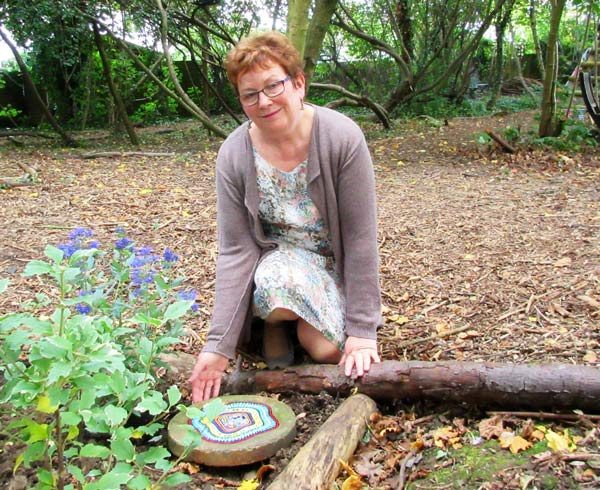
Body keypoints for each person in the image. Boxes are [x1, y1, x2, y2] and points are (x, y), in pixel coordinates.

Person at [189, 31, 382, 403]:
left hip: (333, 263)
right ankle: (275, 319)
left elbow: (360, 238)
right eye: (250, 94)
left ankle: (290, 323)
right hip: (280, 265)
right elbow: (235, 250)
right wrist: (218, 347)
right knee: (281, 282)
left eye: (273, 86)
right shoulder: (233, 154)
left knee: (323, 348)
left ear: (298, 84)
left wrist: (362, 330)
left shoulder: (342, 137)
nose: (264, 102)